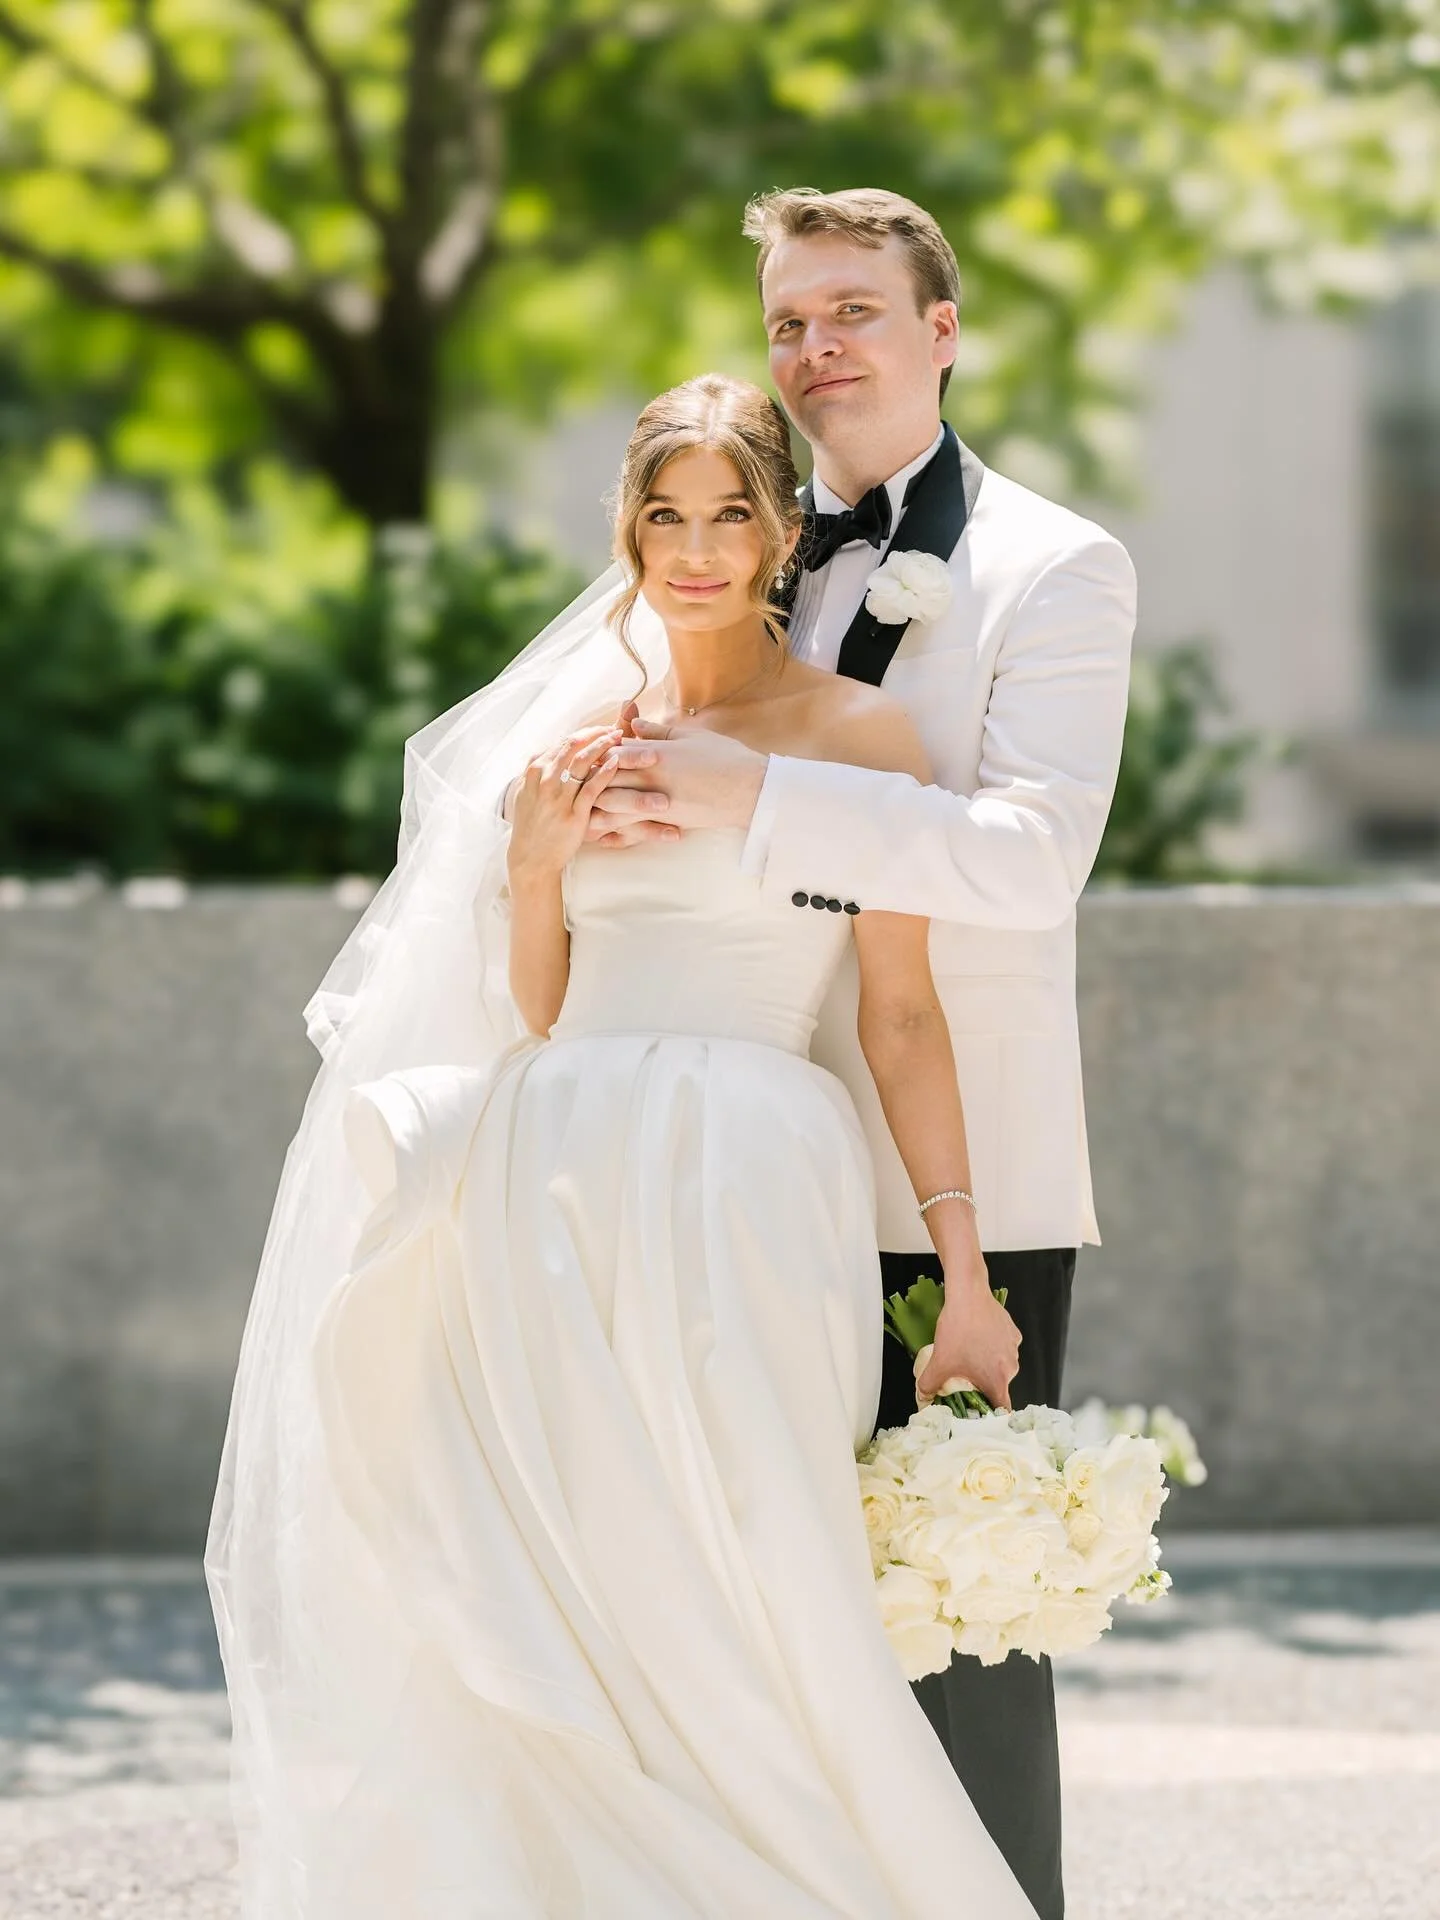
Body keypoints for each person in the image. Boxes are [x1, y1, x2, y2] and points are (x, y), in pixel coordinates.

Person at [206, 371, 1039, 1918]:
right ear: (631, 532)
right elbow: (545, 1004)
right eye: (667, 516)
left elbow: (902, 1020)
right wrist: (533, 870)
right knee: (570, 1562)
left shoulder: (859, 735)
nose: (699, 548)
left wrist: (967, 1275)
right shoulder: (578, 737)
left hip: (748, 1174)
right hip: (551, 1167)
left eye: (732, 513)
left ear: (786, 528)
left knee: (750, 1555)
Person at [579, 188, 1139, 1920]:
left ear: (943, 326)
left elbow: (1028, 862)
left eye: (855, 313)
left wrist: (764, 796)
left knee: (954, 1616)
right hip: (721, 1169)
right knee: (748, 1614)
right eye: (788, 323)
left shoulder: (1056, 566)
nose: (816, 349)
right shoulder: (721, 541)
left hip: (942, 1173)